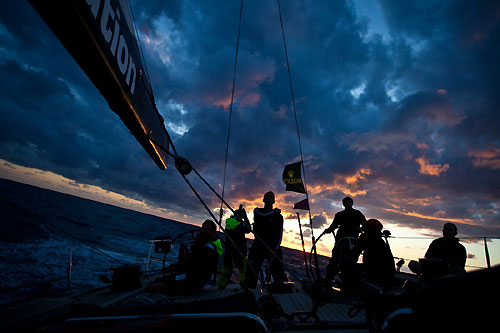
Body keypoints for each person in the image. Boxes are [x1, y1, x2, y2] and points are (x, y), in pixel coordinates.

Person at [164, 219, 223, 295]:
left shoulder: (208, 248)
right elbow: (190, 264)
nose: (204, 230)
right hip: (191, 276)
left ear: (212, 233)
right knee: (161, 280)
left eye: (207, 229)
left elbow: (192, 266)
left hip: (193, 281)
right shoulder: (201, 244)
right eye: (203, 228)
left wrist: (173, 271)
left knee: (159, 285)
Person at [243, 191, 287, 289]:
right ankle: (249, 290)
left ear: (274, 200)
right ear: (263, 199)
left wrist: (274, 249)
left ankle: (279, 289)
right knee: (251, 268)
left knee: (278, 270)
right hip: (258, 244)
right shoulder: (258, 211)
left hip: (272, 246)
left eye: (271, 196)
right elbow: (263, 216)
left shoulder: (279, 217)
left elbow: (279, 234)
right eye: (267, 196)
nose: (269, 198)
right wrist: (274, 212)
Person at [324, 196, 366, 287]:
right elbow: (333, 226)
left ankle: (347, 284)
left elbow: (365, 225)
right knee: (335, 261)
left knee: (350, 262)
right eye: (345, 202)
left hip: (353, 243)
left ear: (352, 203)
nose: (346, 204)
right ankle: (328, 282)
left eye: (348, 202)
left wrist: (360, 229)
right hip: (340, 242)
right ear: (343, 204)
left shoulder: (358, 214)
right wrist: (328, 230)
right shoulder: (339, 215)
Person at [217, 204, 252, 289]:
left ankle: (222, 285)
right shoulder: (236, 223)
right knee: (239, 268)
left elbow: (246, 229)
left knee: (231, 267)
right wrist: (244, 218)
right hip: (235, 249)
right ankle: (242, 285)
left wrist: (243, 217)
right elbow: (247, 229)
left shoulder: (232, 222)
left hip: (234, 249)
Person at [356, 219, 395, 287]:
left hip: (374, 273)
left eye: (365, 227)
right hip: (387, 275)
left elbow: (355, 253)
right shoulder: (380, 241)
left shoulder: (366, 238)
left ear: (370, 228)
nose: (363, 229)